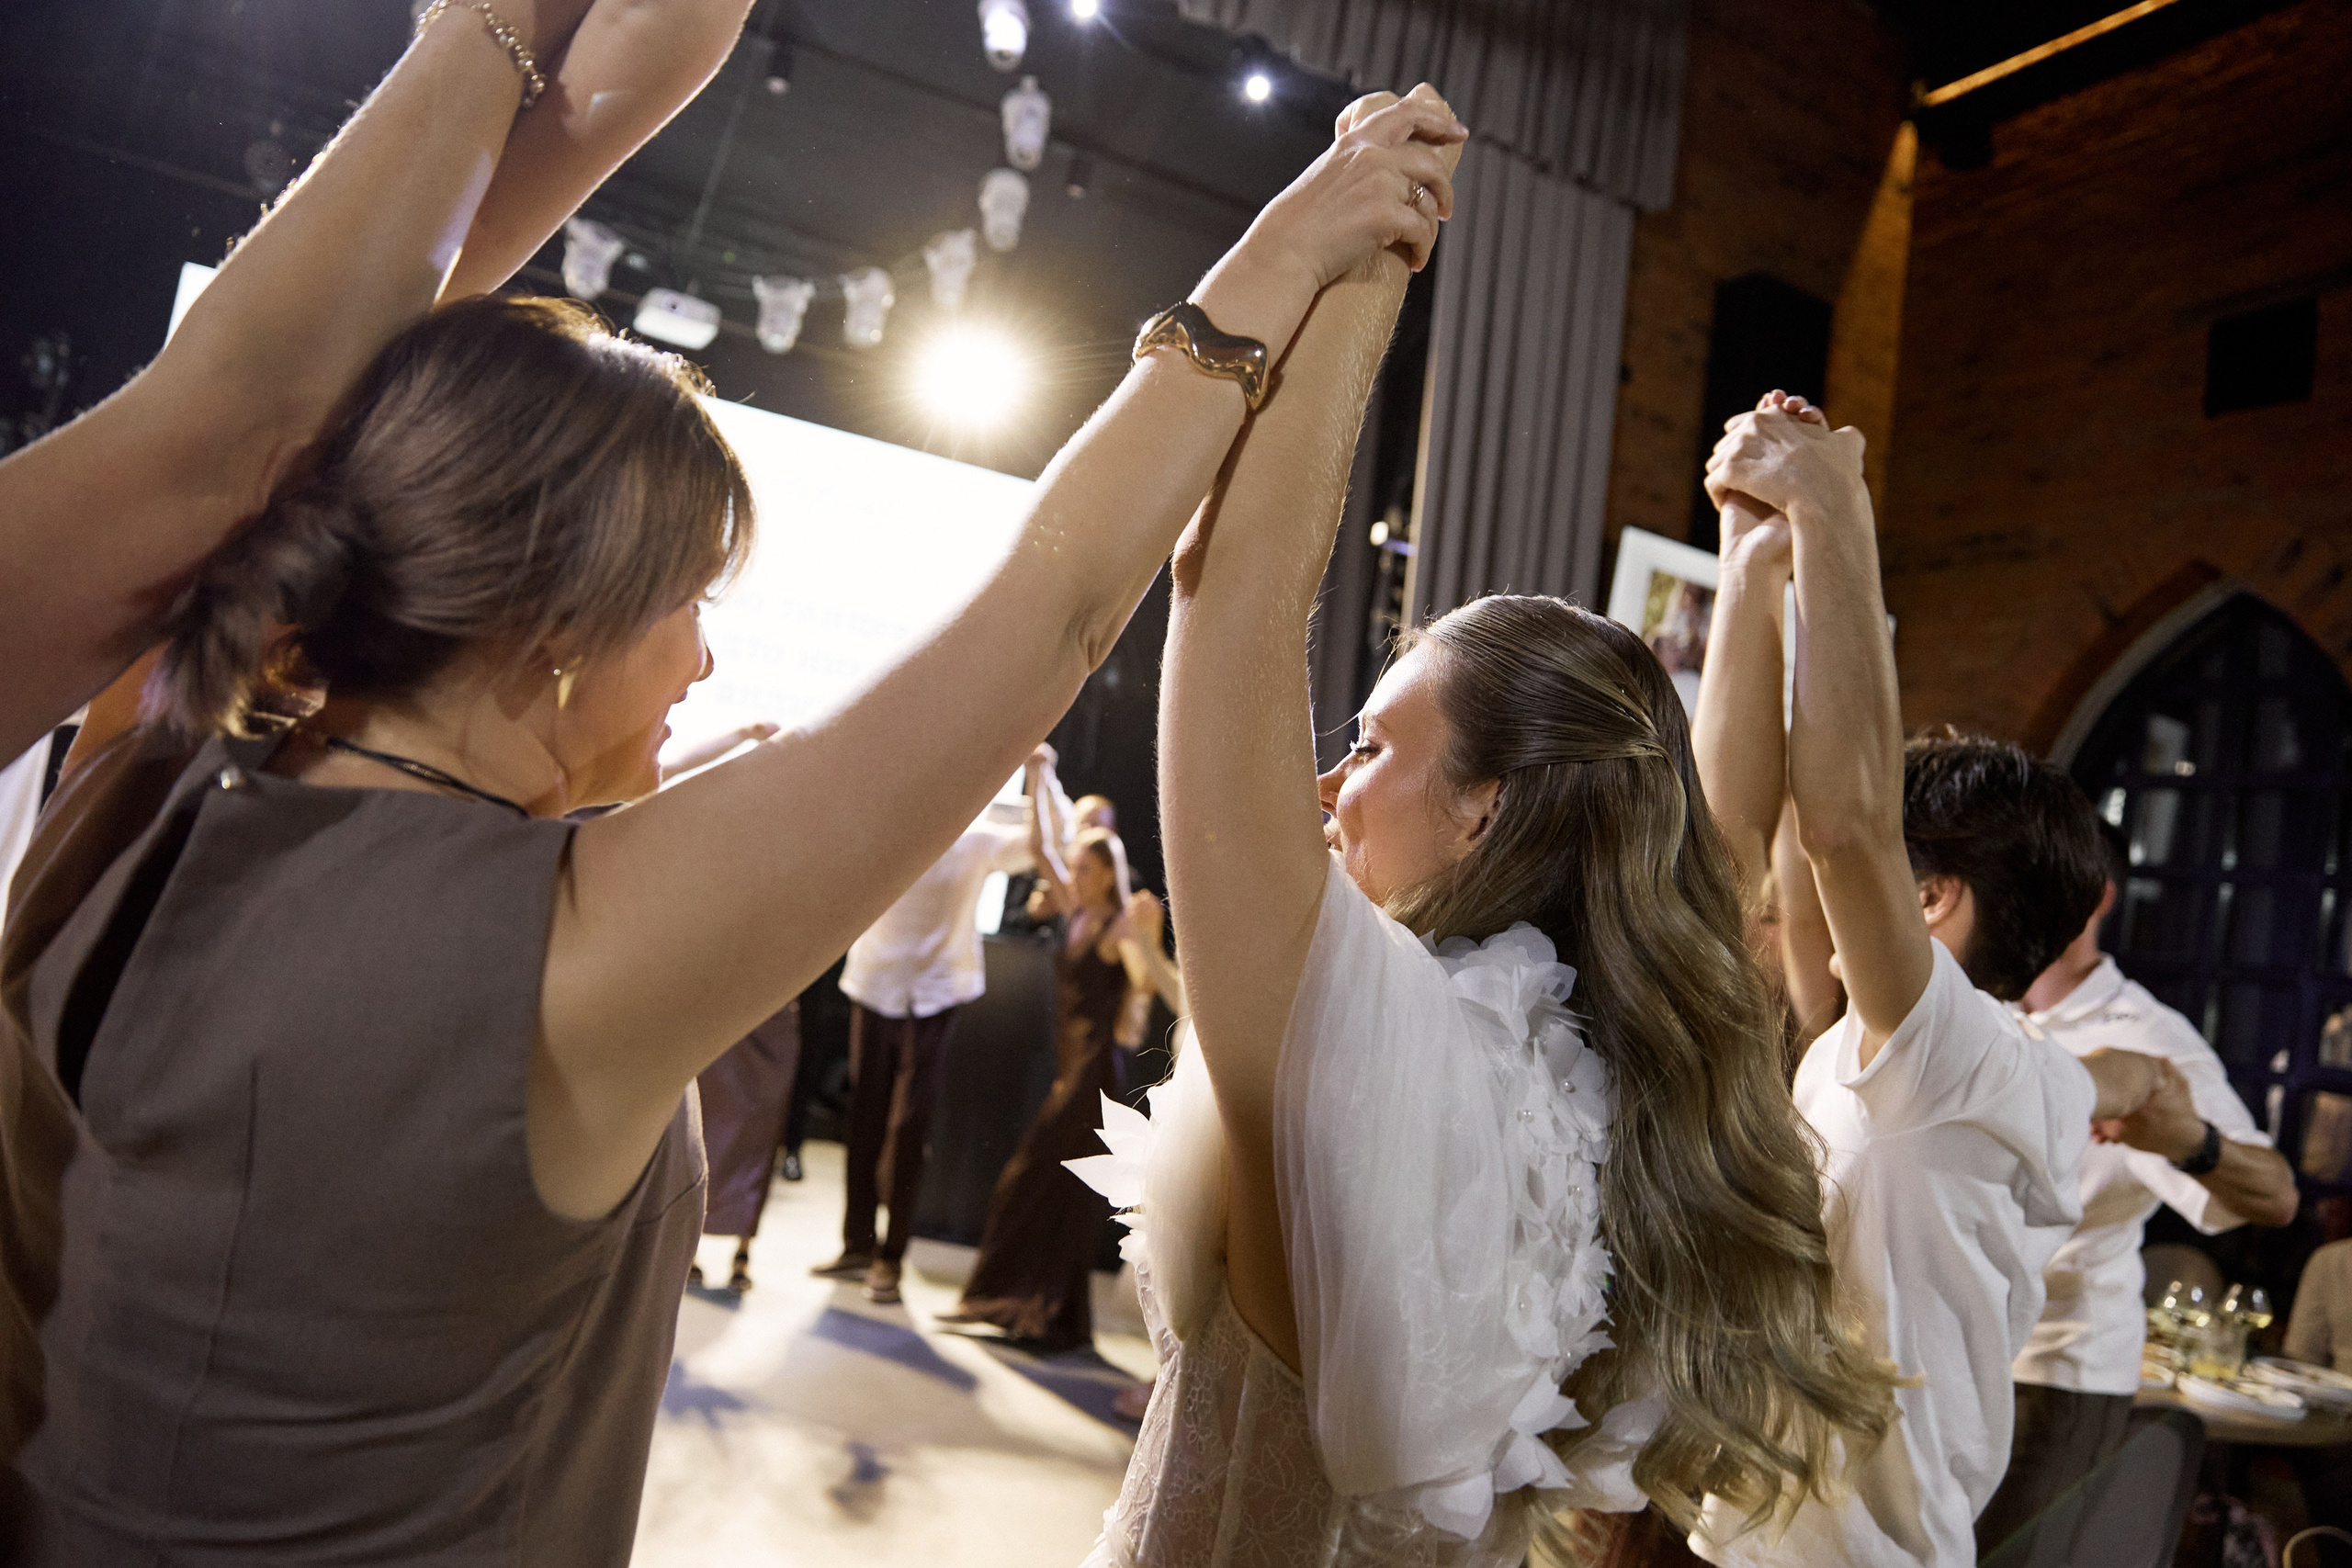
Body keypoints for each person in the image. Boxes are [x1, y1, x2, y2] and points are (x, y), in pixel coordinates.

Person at [0, 28, 1468, 1553]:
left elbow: (273, 412)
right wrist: (1284, 249)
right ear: (562, 628)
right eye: (690, 600)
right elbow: (1053, 611)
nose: (705, 660)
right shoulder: (568, 951)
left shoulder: (130, 772)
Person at [1076, 88, 1900, 1568]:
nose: (1328, 784)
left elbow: (1237, 594)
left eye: (1373, 740)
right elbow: (1700, 837)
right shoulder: (1596, 1100)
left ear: (1492, 803)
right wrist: (1762, 566)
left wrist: (1362, 246)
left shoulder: (1369, 1051)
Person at [1692, 390, 2166, 1566]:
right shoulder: (1863, 1048)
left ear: (1932, 897)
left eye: (1888, 870)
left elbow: (1843, 828)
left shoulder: (1959, 1055)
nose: (1832, 887)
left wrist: (1836, 501)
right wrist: (1753, 556)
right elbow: (1743, 851)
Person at [1973, 826, 2299, 1550]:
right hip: (1961, 1354)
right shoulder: (1982, 1011)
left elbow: (2275, 1193)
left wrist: (2189, 1137)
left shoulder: (2147, 1031)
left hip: (2058, 1372)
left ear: (2097, 898)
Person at [810, 746, 1057, 1306]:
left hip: (938, 988)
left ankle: (889, 1258)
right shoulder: (887, 826)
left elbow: (1044, 850)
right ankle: (856, 1244)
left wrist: (1040, 777)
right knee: (865, 1114)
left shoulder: (978, 838)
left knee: (910, 1125)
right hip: (874, 979)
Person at [939, 827, 1149, 1350]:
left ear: (1107, 876)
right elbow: (1041, 851)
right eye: (1073, 867)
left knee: (1037, 1184)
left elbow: (1145, 983)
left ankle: (1037, 1314)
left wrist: (1141, 936)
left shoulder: (1114, 927)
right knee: (1051, 1191)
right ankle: (1034, 1313)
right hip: (1069, 1071)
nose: (1073, 876)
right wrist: (1039, 774)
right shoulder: (1078, 914)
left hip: (1093, 1077)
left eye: (1084, 869)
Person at [693, 1001, 803, 1295]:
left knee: (760, 1133)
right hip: (722, 1007)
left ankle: (743, 1250)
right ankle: (689, 1248)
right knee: (706, 1125)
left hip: (773, 1012)